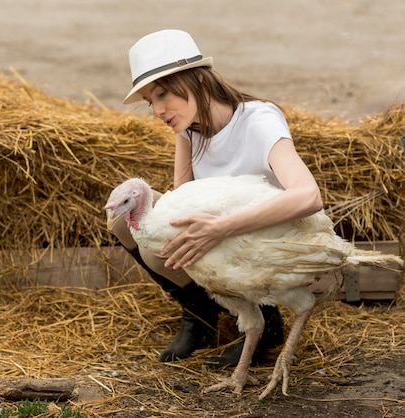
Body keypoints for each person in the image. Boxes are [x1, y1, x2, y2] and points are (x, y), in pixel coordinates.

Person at [112, 29, 323, 367]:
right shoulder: (189, 128)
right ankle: (201, 314)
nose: (156, 109)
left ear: (194, 80)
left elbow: (309, 196)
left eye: (163, 93)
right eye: (150, 101)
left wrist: (221, 227)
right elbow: (183, 195)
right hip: (223, 237)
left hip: (263, 239)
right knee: (127, 223)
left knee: (156, 252)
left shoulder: (259, 121)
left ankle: (265, 319)